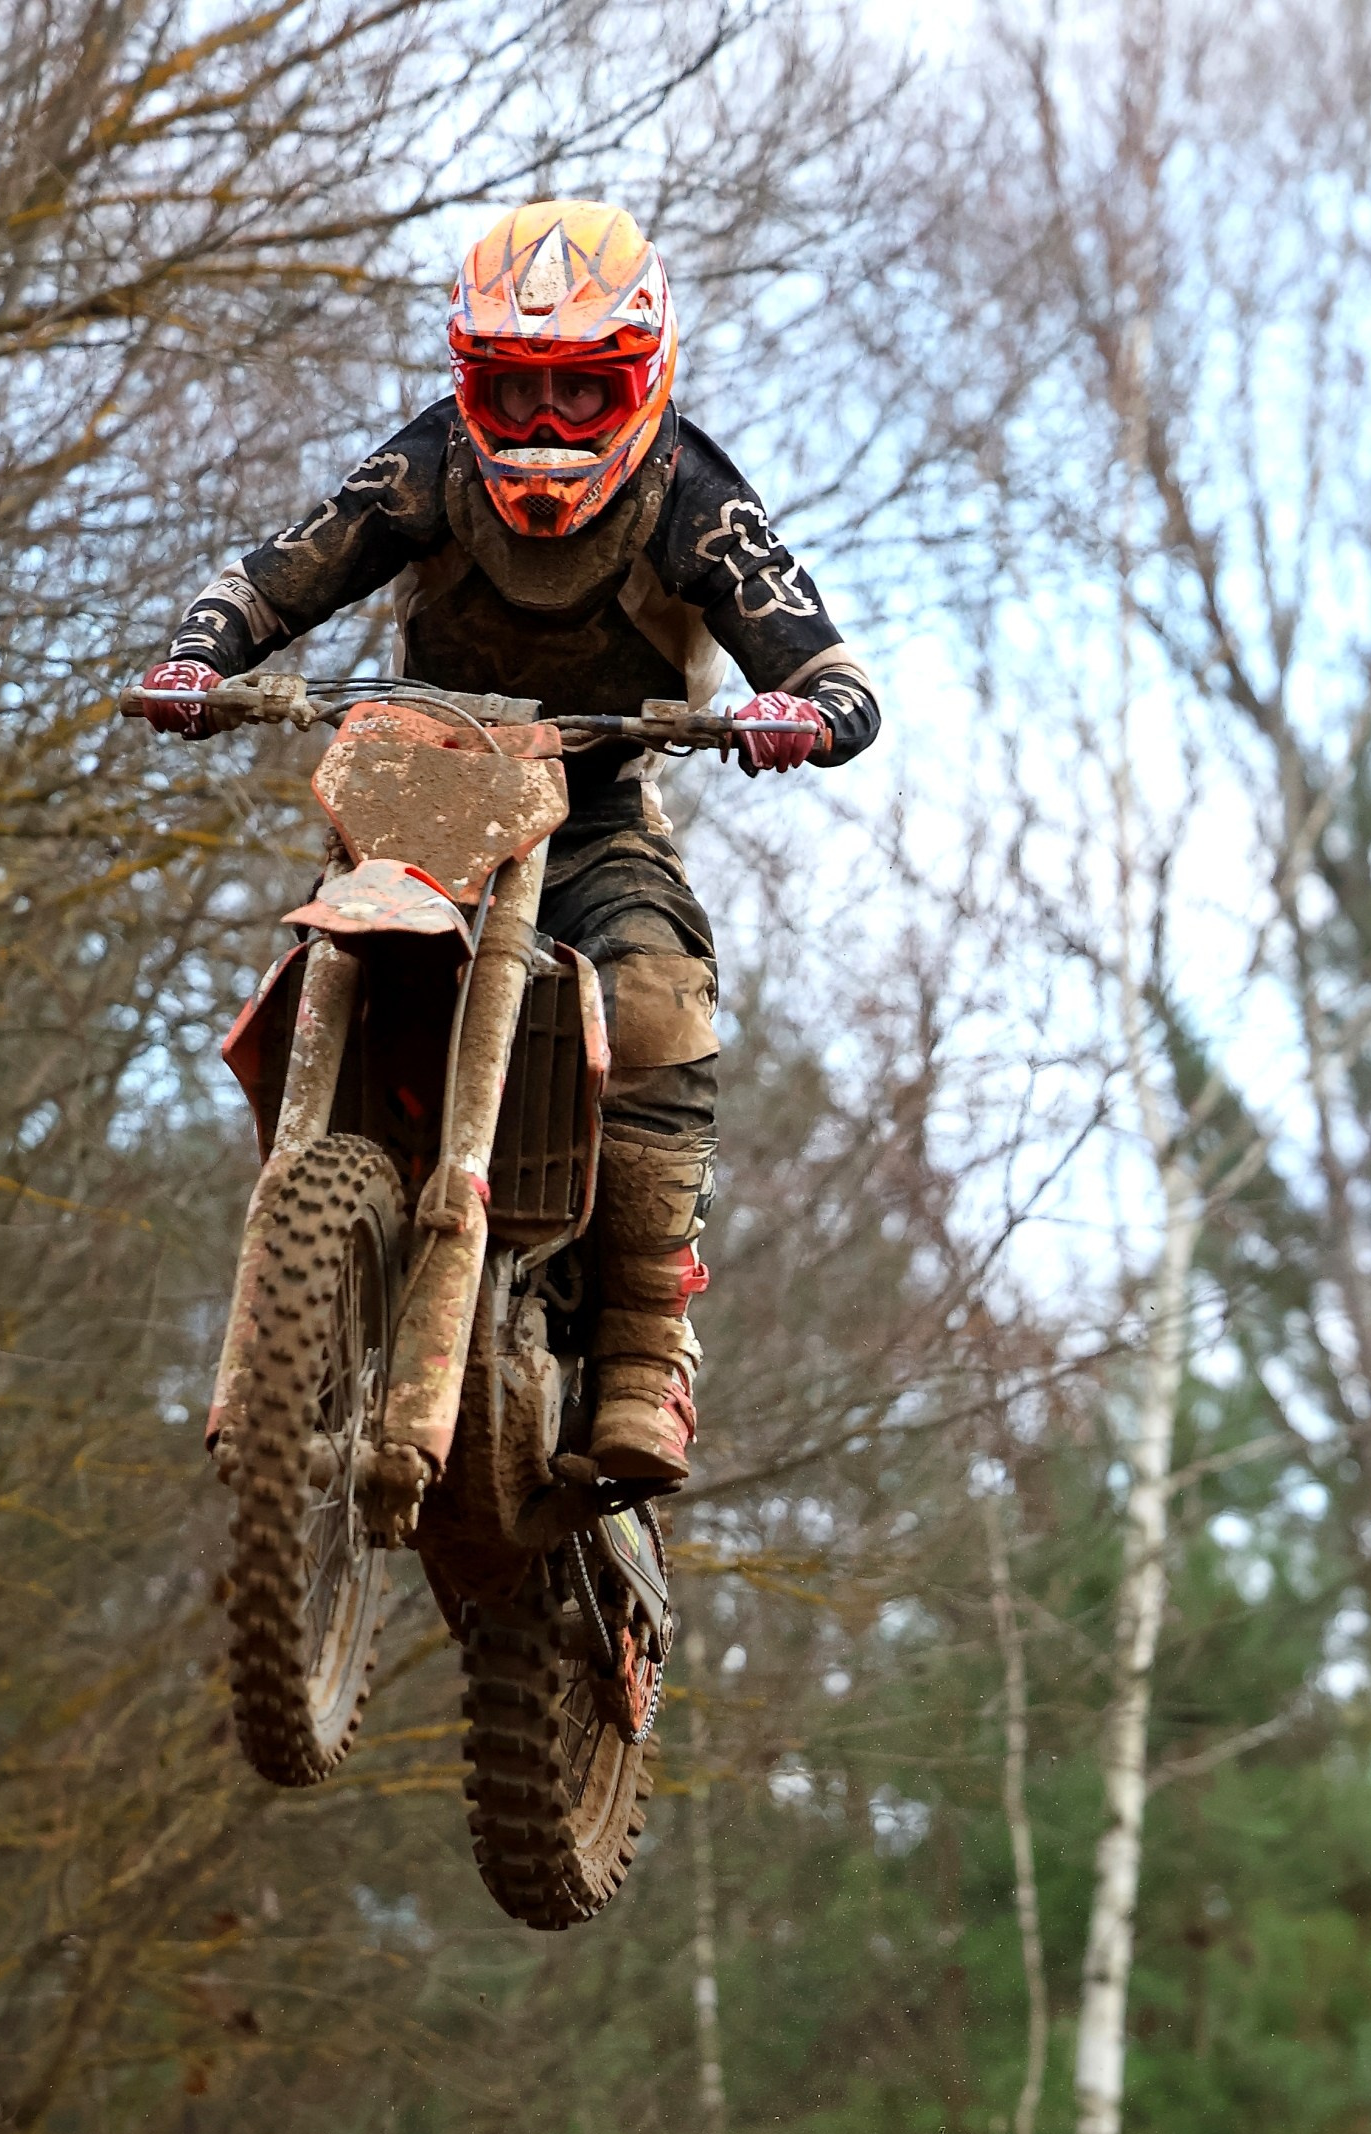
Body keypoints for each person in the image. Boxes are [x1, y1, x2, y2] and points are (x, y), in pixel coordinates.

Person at [135, 198, 879, 1487]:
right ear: (465, 380)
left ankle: (646, 1347)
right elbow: (285, 568)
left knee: (652, 999)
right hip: (418, 803)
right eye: (513, 391)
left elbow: (830, 664)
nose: (538, 429)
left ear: (640, 381)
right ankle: (298, 1294)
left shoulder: (694, 500)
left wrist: (799, 710)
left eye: (577, 398)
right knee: (308, 977)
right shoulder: (430, 465)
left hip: (591, 821)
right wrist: (204, 652)